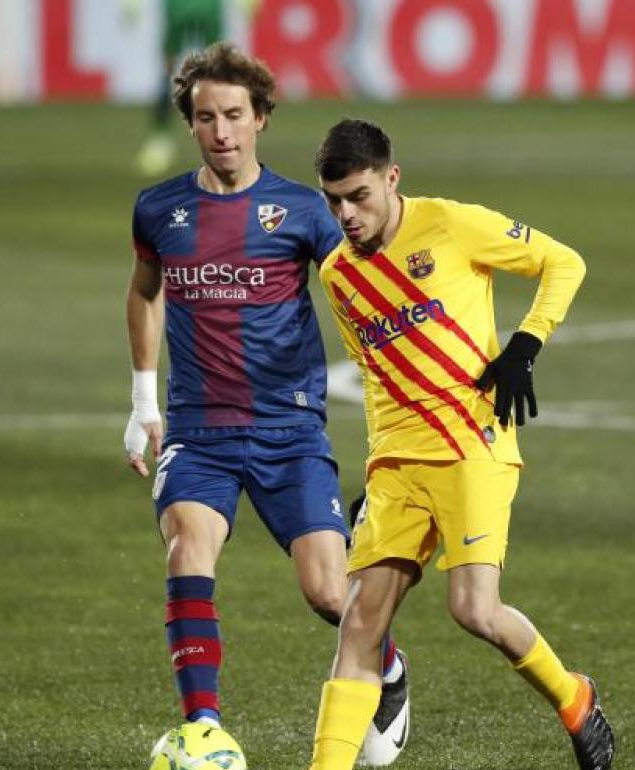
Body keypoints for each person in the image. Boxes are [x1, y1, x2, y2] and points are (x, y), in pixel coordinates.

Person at [123, 45, 410, 764]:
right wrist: (140, 400)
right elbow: (145, 291)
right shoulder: (160, 209)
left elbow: (365, 290)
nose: (220, 132)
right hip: (199, 433)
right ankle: (203, 726)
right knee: (188, 549)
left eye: (233, 116)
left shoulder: (306, 212)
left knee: (325, 591)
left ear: (261, 120)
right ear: (190, 124)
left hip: (290, 432)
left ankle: (391, 670)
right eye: (204, 118)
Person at [304, 118, 615, 770]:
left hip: (473, 446)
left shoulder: (450, 224)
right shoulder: (337, 276)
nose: (346, 214)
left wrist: (526, 344)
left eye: (358, 196)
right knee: (360, 627)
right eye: (333, 201)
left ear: (392, 178)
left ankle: (574, 696)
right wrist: (377, 472)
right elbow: (378, 376)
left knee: (474, 609)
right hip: (398, 462)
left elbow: (564, 261)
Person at [126, 0, 259, 176]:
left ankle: (229, 143)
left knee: (216, 71)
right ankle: (160, 140)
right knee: (171, 70)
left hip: (209, 7)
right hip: (177, 7)